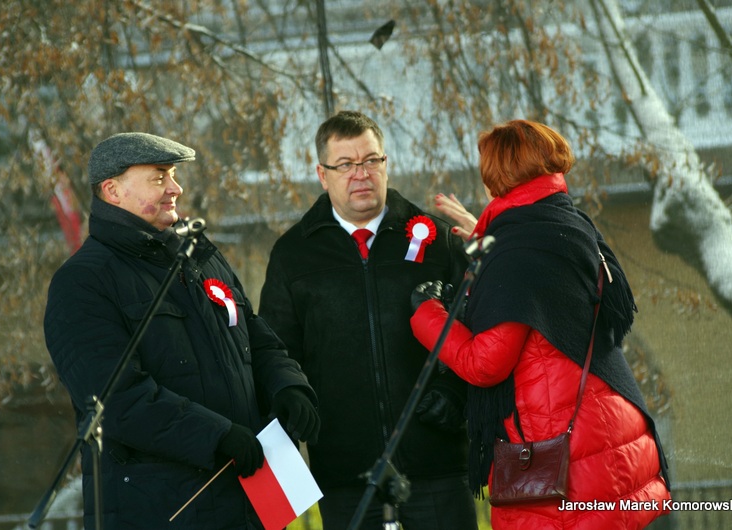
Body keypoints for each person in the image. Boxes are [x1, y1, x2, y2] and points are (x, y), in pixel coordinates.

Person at [43, 132, 320, 530]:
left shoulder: (199, 257)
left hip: (246, 500)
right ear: (113, 190)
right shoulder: (83, 282)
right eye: (159, 177)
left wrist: (287, 385)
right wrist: (217, 436)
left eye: (173, 175)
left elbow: (255, 338)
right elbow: (117, 400)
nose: (176, 188)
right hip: (159, 509)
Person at [410, 119, 672, 529]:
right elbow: (540, 298)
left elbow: (486, 363)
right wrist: (488, 239)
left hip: (563, 461)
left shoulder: (517, 252)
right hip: (610, 438)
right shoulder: (568, 224)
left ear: (497, 176)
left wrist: (426, 313)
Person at [258, 111, 479, 529]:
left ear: (385, 163)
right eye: (345, 164)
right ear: (322, 175)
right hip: (345, 473)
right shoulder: (292, 255)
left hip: (437, 465)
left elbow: (477, 331)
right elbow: (277, 352)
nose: (361, 174)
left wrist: (455, 391)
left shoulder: (438, 240)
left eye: (370, 160)